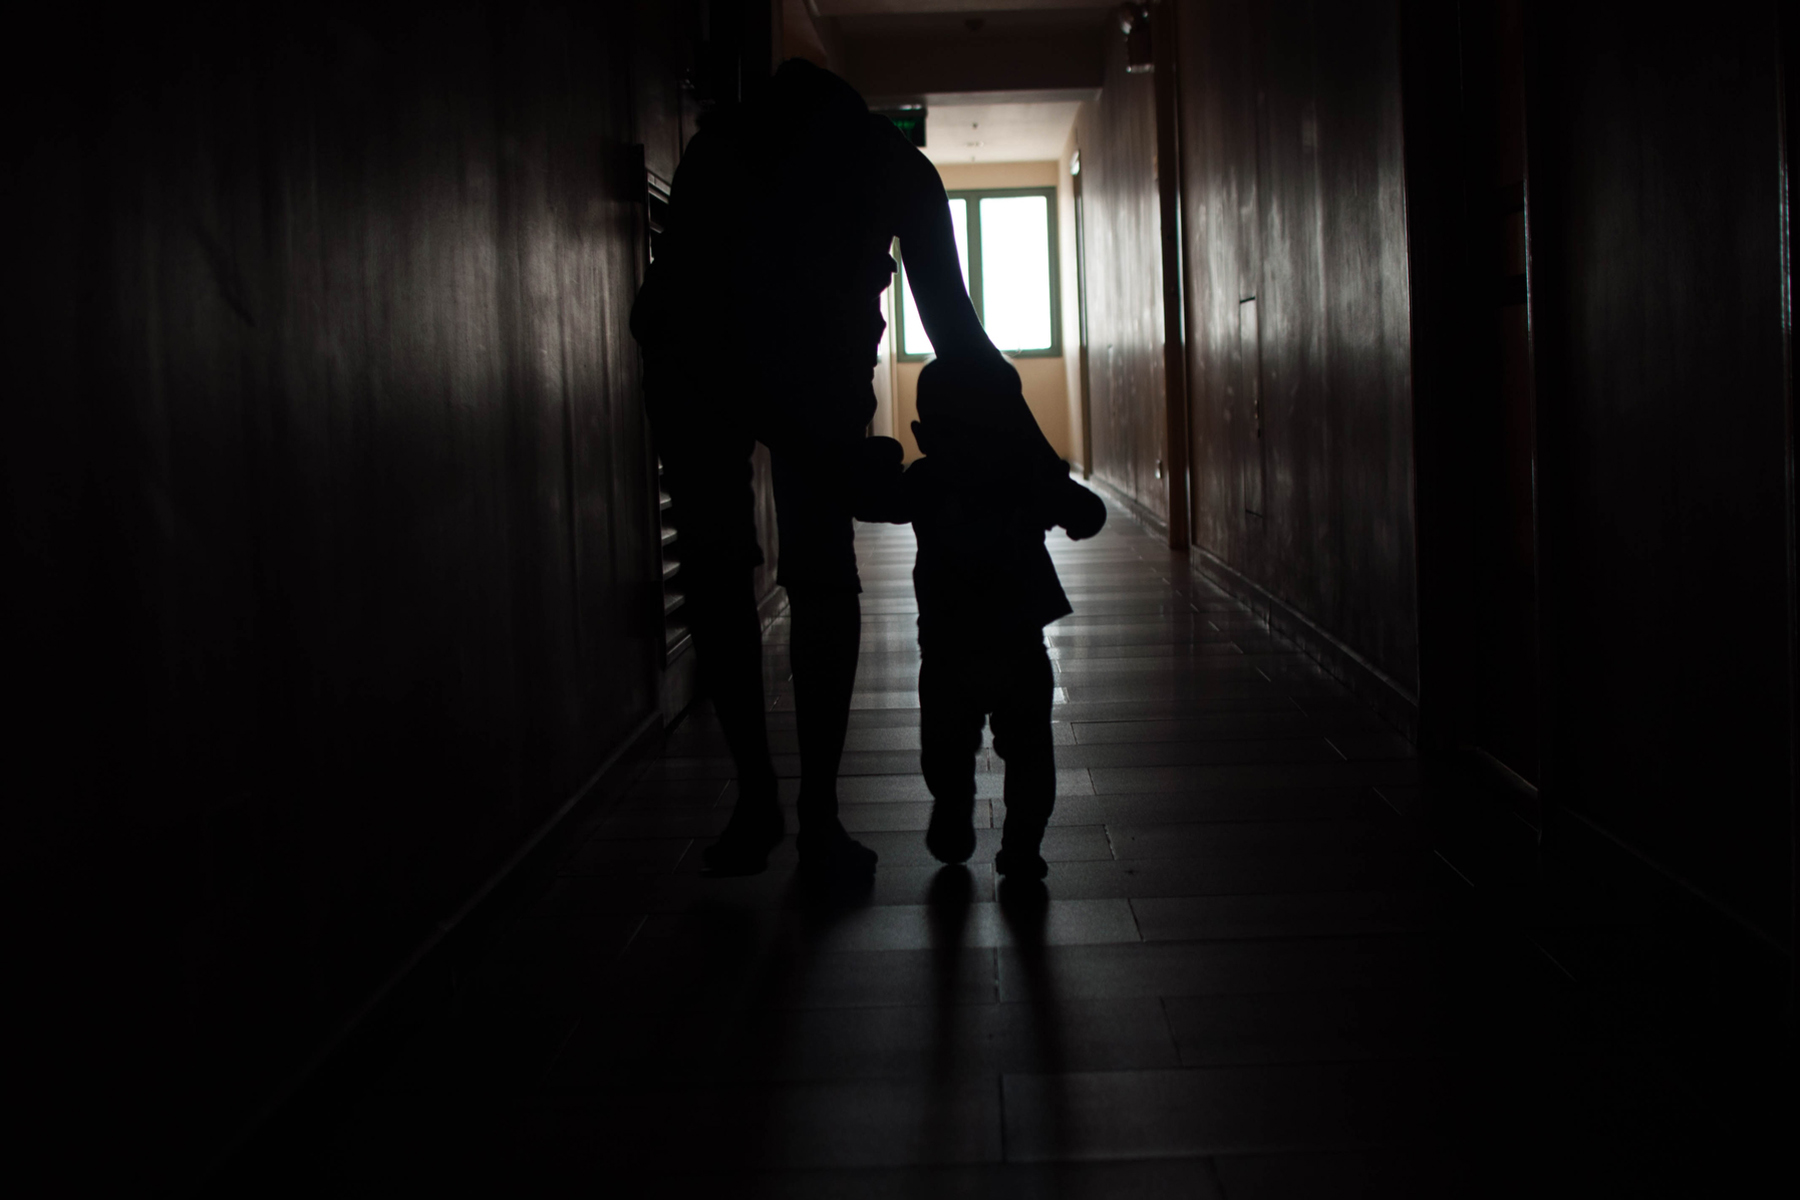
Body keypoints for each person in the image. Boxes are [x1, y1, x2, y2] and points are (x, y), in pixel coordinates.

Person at [630, 58, 1055, 880]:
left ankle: (806, 810)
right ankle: (770, 803)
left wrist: (1041, 468)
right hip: (696, 363)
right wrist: (827, 452)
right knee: (728, 567)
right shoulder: (736, 161)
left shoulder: (894, 172)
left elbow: (960, 338)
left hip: (802, 370)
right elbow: (684, 323)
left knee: (810, 568)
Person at [874, 359, 1107, 881]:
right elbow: (1089, 515)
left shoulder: (926, 478)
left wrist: (879, 460)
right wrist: (1056, 481)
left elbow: (876, 501)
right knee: (1029, 752)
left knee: (945, 748)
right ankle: (1022, 843)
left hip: (946, 648)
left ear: (922, 435)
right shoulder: (1022, 474)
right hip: (1018, 644)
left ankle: (954, 805)